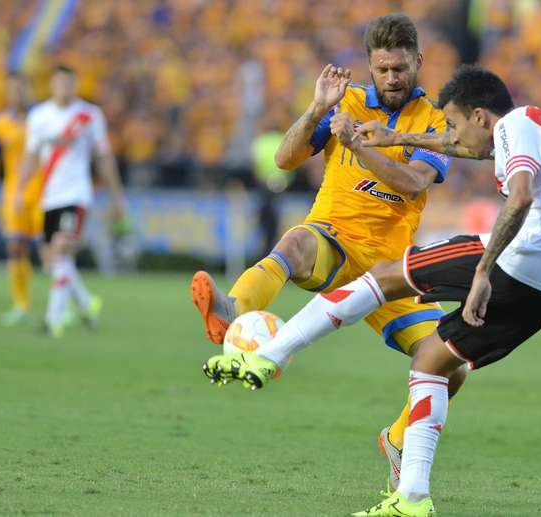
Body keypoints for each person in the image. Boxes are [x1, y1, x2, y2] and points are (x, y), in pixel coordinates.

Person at [202, 64, 541, 517]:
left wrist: (484, 270)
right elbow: (461, 148)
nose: (451, 134)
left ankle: (269, 355)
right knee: (433, 361)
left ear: (482, 116)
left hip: (519, 256)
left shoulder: (516, 123)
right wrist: (397, 139)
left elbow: (521, 196)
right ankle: (411, 499)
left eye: (453, 122)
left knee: (384, 278)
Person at [190, 13, 461, 493]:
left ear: (418, 61)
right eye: (382, 69)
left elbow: (414, 181)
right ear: (369, 66)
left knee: (452, 364)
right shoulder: (346, 102)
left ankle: (398, 439)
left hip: (391, 268)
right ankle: (234, 311)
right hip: (333, 239)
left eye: (400, 68)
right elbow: (285, 159)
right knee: (295, 241)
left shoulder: (436, 121)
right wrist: (317, 109)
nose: (392, 78)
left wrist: (358, 145)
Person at [15, 64, 125, 338]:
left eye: (69, 84)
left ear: (75, 86)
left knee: (62, 250)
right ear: (51, 86)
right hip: (48, 195)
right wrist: (19, 190)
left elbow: (103, 157)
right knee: (50, 260)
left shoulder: (89, 115)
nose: (65, 89)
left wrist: (116, 195)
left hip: (76, 194)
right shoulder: (39, 116)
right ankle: (87, 304)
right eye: (60, 84)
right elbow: (30, 156)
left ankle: (53, 322)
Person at [0, 74, 43, 326]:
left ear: (28, 90)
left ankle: (66, 302)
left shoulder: (40, 120)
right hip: (13, 193)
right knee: (15, 247)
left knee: (51, 249)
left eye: (21, 89)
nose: (16, 94)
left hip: (42, 191)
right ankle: (21, 304)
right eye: (12, 90)